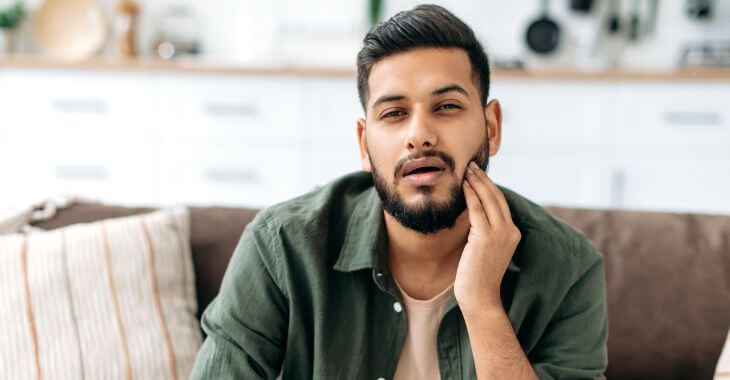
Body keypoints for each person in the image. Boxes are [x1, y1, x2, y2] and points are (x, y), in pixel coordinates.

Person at [190, 4, 608, 379]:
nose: (419, 135)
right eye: (393, 113)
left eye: (446, 107)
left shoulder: (568, 269)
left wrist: (482, 305)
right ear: (364, 145)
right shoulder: (280, 247)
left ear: (491, 128)